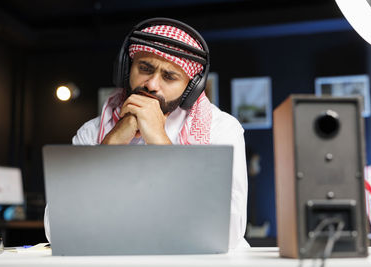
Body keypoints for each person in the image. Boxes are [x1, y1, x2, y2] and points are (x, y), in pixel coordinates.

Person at [44, 18, 248, 249]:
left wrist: (159, 142)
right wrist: (110, 147)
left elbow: (227, 232)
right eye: (144, 69)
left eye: (169, 77)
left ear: (191, 88)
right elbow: (57, 230)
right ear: (125, 68)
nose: (151, 84)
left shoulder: (220, 130)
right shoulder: (91, 133)